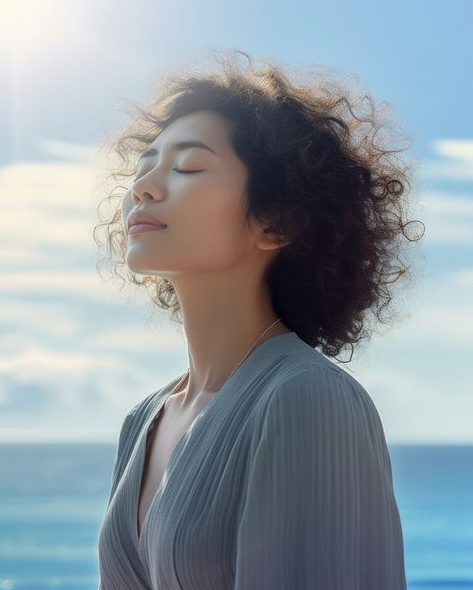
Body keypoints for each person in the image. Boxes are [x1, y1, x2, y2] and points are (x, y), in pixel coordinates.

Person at [93, 50, 424, 589]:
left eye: (189, 167)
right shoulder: (143, 422)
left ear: (276, 222)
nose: (143, 188)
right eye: (144, 167)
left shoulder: (308, 398)